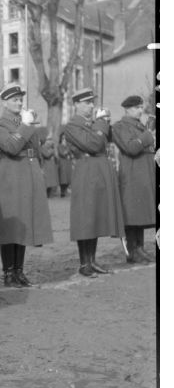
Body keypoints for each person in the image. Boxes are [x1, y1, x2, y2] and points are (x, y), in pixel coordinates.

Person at [0, 83, 53, 287]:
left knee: (24, 222)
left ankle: (19, 270)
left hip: (28, 172)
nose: (18, 102)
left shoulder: (26, 122)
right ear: (5, 102)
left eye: (19, 99)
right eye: (14, 99)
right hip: (11, 175)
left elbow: (36, 149)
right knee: (10, 226)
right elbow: (12, 147)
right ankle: (8, 272)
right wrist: (26, 125)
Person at [63, 88, 125, 277]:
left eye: (92, 102)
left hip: (98, 170)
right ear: (76, 105)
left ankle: (92, 260)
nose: (91, 106)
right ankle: (84, 264)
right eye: (86, 103)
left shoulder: (93, 124)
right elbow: (94, 144)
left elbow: (108, 139)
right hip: (86, 171)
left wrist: (104, 123)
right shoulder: (72, 125)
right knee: (86, 218)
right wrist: (100, 123)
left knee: (95, 216)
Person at [111, 95, 156, 264]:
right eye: (137, 107)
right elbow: (131, 148)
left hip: (143, 174)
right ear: (127, 109)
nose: (140, 110)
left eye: (140, 107)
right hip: (131, 175)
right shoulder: (120, 126)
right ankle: (132, 250)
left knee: (141, 213)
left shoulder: (139, 126)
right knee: (132, 215)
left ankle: (140, 248)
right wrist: (148, 134)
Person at [40, 133, 59, 198]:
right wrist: (52, 151)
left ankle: (49, 195)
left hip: (51, 166)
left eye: (51, 139)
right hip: (46, 166)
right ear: (45, 140)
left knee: (51, 182)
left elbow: (56, 158)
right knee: (46, 182)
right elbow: (46, 155)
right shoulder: (42, 147)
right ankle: (45, 195)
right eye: (49, 139)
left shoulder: (52, 148)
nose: (50, 141)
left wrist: (54, 153)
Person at [57, 131, 73, 197]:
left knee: (68, 177)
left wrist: (70, 155)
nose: (64, 139)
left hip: (68, 163)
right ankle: (62, 191)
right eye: (63, 138)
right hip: (62, 163)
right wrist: (67, 150)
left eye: (65, 138)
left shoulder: (68, 145)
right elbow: (62, 153)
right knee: (63, 178)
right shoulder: (59, 146)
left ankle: (65, 190)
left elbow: (71, 154)